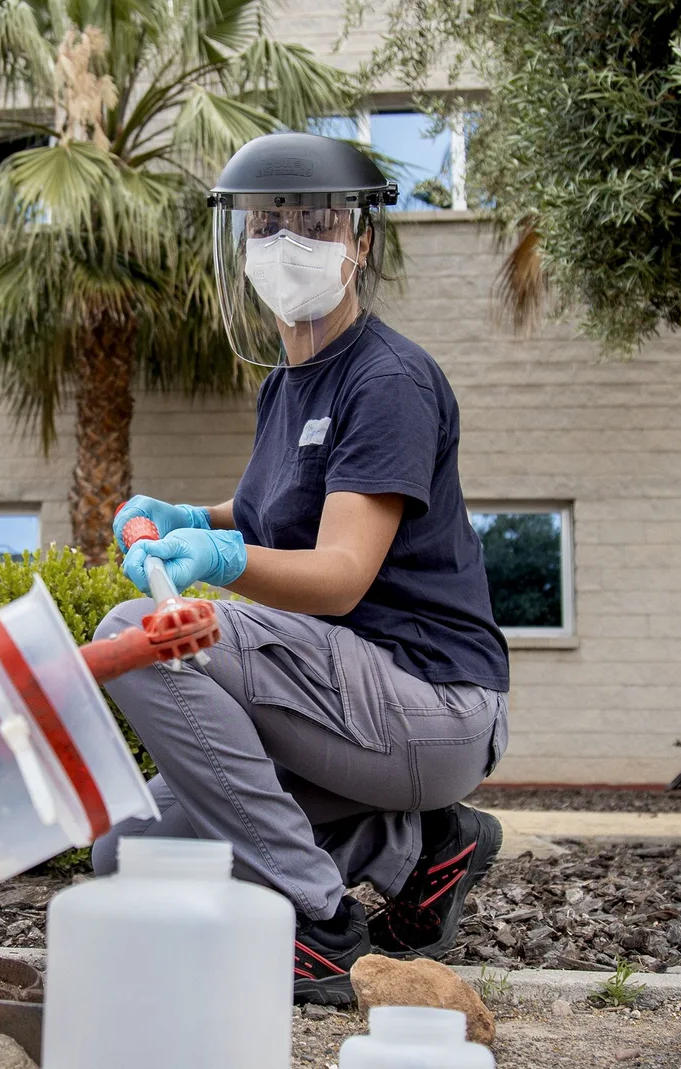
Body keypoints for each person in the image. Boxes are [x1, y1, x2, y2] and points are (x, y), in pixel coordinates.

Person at [91, 132, 511, 1006]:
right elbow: (284, 504)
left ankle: (315, 922)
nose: (287, 240)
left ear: (360, 239)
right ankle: (422, 847)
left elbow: (341, 572)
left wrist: (218, 558)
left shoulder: (388, 379)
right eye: (265, 222)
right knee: (129, 845)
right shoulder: (287, 384)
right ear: (239, 242)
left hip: (428, 698)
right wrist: (188, 518)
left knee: (140, 636)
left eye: (314, 220)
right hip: (344, 708)